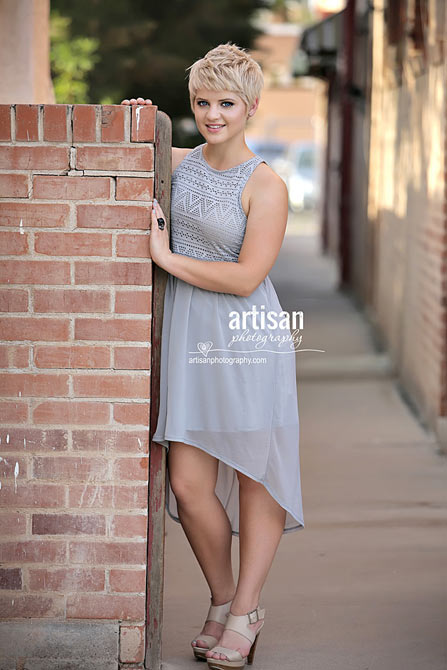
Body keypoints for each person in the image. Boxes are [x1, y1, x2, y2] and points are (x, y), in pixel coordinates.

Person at [121, 42, 304, 670]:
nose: (213, 114)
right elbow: (128, 150)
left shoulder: (267, 185)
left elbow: (248, 277)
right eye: (203, 101)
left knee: (256, 473)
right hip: (190, 340)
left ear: (250, 106)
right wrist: (141, 118)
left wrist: (167, 260)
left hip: (247, 338)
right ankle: (224, 598)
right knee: (189, 483)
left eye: (227, 102)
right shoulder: (178, 162)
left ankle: (247, 609)